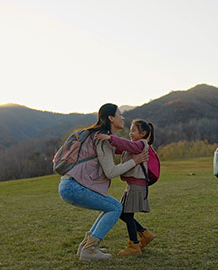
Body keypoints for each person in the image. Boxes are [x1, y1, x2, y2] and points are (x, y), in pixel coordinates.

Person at [58, 103, 148, 261]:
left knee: (108, 206)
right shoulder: (102, 139)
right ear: (111, 118)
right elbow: (111, 172)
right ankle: (90, 249)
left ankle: (86, 246)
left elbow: (121, 147)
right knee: (115, 207)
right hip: (74, 187)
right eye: (119, 114)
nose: (123, 117)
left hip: (68, 185)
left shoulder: (98, 135)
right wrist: (135, 161)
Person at [96, 119, 156, 256]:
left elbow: (126, 145)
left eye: (133, 131)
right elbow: (120, 148)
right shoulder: (134, 145)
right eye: (130, 131)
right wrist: (106, 143)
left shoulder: (141, 144)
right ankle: (145, 234)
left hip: (136, 186)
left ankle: (134, 245)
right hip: (132, 186)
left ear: (143, 133)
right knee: (123, 213)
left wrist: (111, 138)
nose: (130, 133)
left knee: (127, 215)